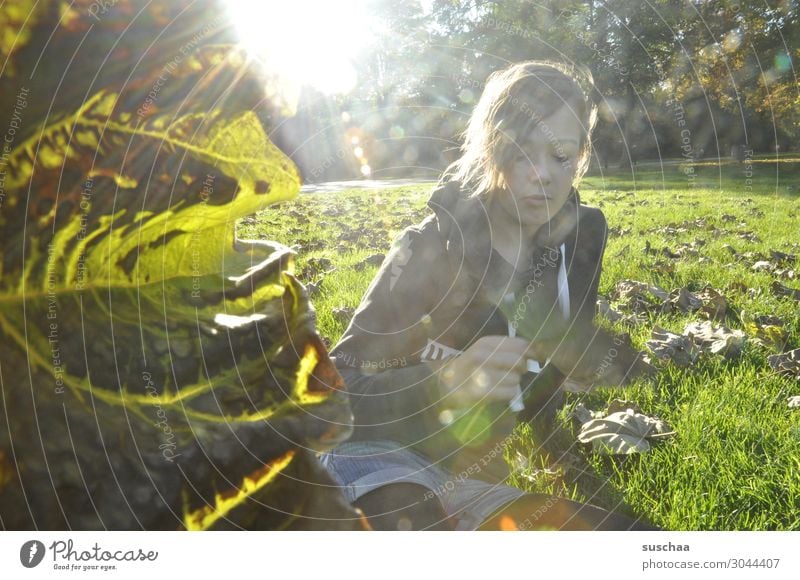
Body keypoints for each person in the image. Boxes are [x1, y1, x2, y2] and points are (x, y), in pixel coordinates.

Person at [319, 61, 654, 531]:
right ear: (491, 151)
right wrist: (441, 383)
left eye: (561, 156)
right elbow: (333, 393)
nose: (543, 175)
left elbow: (554, 354)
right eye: (521, 153)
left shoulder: (583, 235)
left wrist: (558, 443)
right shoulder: (428, 248)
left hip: (474, 471)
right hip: (381, 457)